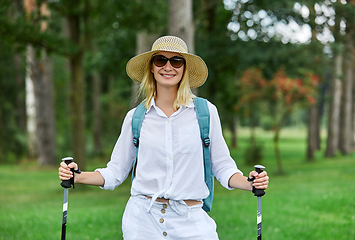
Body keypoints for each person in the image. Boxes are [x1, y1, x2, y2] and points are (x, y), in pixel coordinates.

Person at [58, 35, 269, 239]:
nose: (168, 67)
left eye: (176, 61)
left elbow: (223, 167)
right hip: (143, 222)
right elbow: (116, 171)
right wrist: (77, 176)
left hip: (191, 221)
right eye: (161, 60)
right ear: (151, 66)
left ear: (184, 68)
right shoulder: (135, 117)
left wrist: (251, 183)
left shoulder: (205, 113)